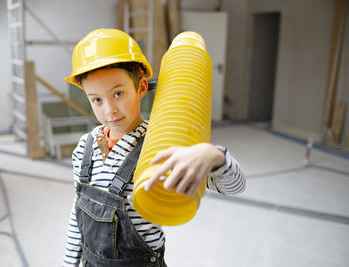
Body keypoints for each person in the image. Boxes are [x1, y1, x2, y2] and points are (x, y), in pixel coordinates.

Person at [62, 29, 246, 267]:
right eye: (97, 99)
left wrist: (215, 156)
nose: (109, 110)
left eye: (118, 93)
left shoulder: (164, 146)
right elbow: (77, 217)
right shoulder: (85, 148)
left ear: (140, 88)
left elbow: (235, 187)